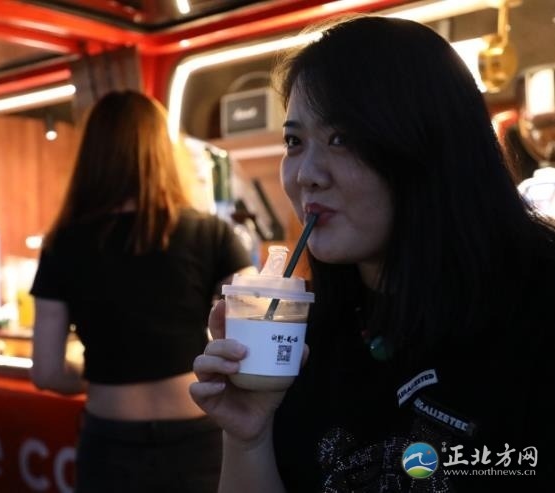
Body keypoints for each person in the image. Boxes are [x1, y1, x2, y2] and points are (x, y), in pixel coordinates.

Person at [190, 14, 555, 492]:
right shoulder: (302, 337)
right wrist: (248, 437)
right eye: (294, 141)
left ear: (428, 144)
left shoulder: (536, 315)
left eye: (342, 138)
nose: (306, 175)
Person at [30, 90, 255, 493]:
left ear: (92, 156)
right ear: (164, 152)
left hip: (109, 441)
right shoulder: (211, 233)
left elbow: (46, 372)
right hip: (197, 437)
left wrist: (101, 374)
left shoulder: (61, 245)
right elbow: (260, 323)